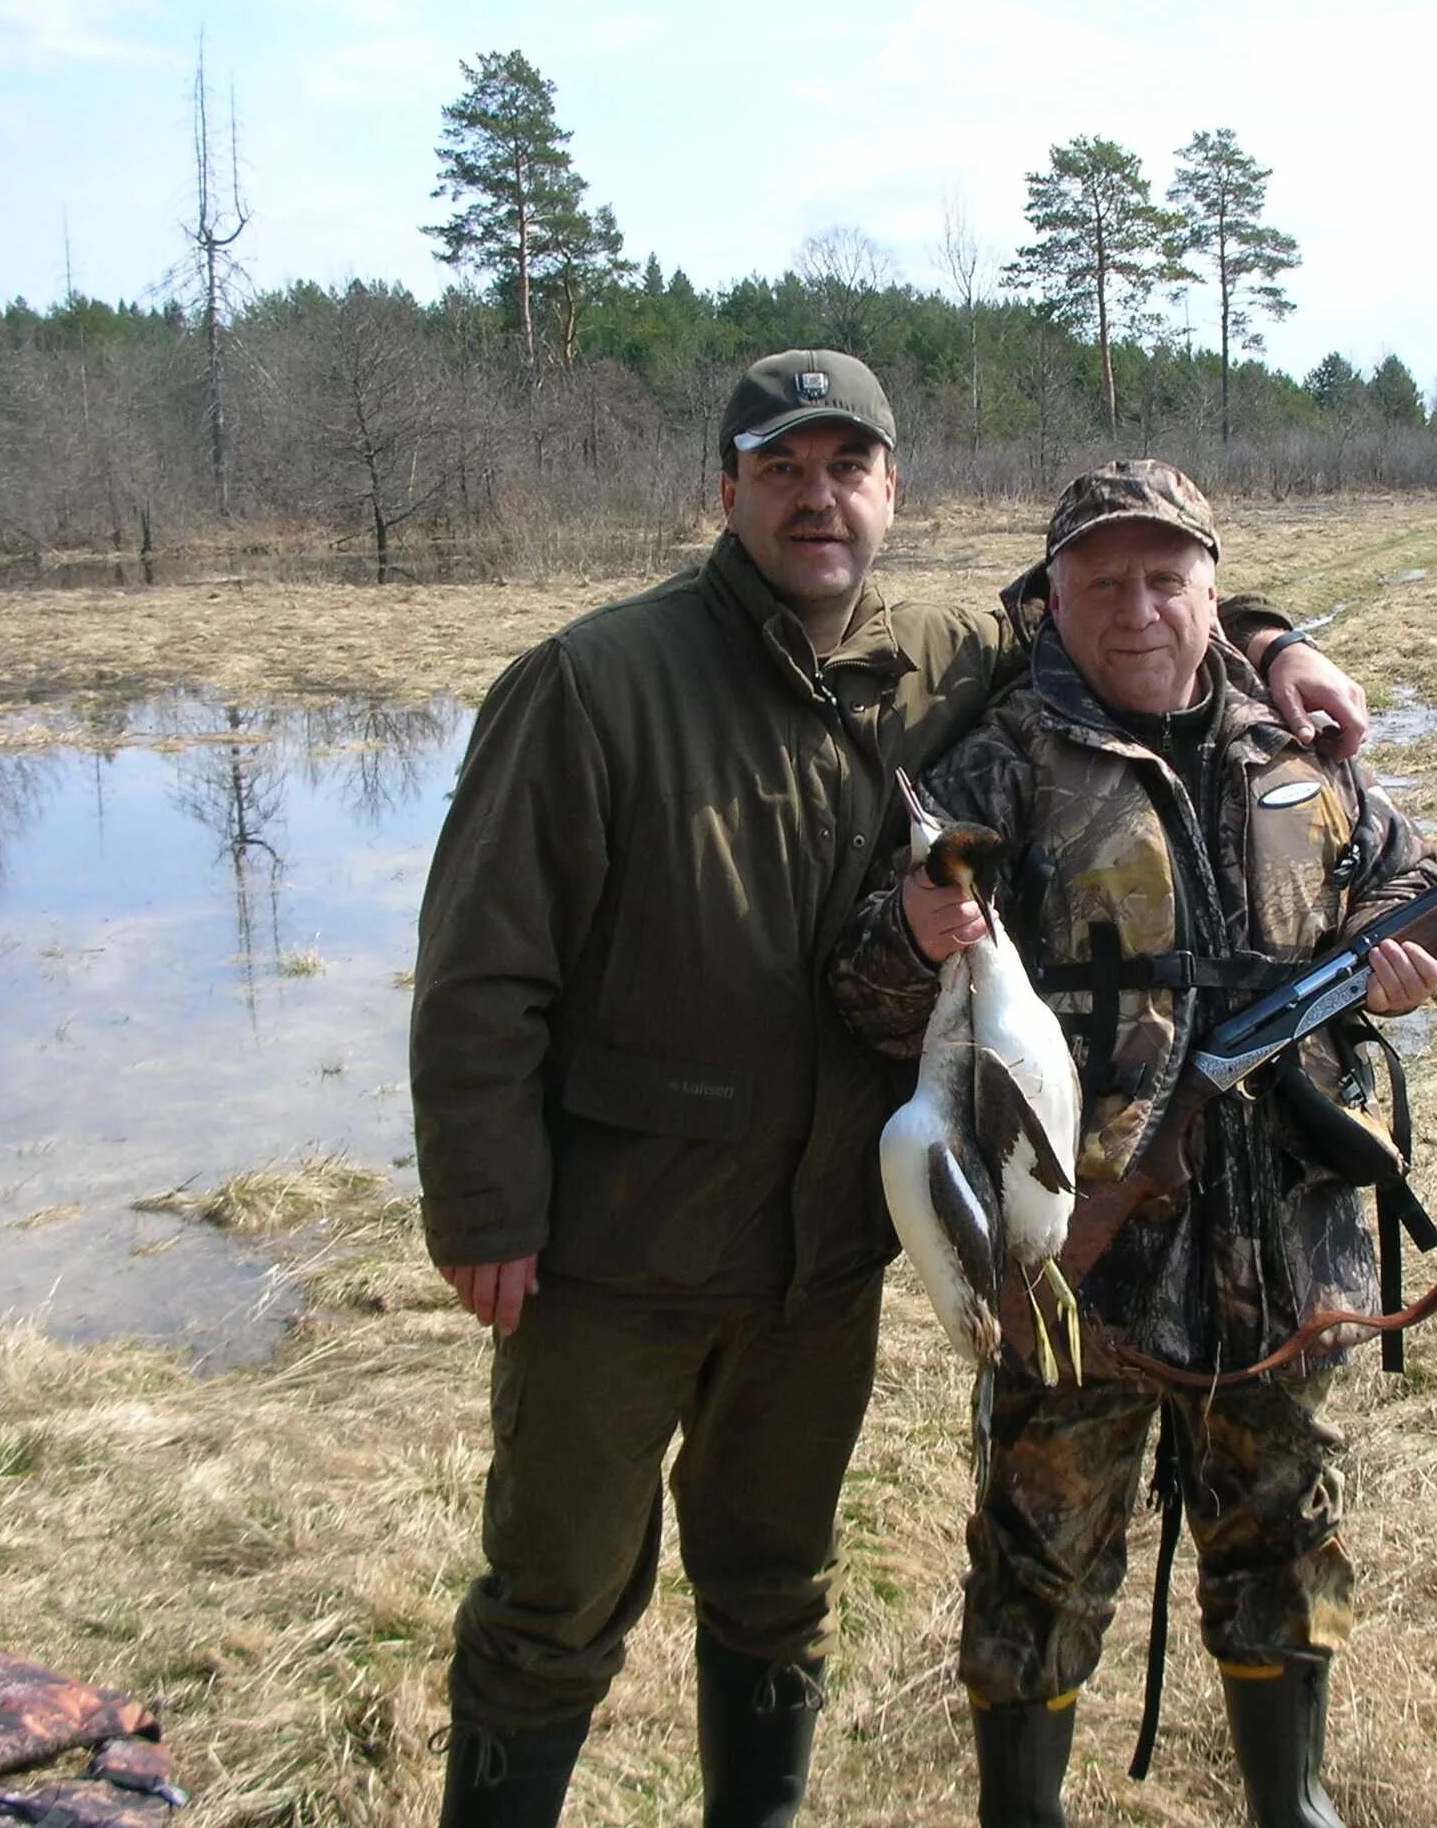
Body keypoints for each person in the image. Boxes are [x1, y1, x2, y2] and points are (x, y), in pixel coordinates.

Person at [409, 354, 1370, 1827]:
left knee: (777, 1586)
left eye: (846, 468)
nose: (816, 499)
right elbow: (483, 969)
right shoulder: (595, 681)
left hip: (823, 1251)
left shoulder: (934, 652)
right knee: (556, 1599)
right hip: (621, 1244)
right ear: (723, 490)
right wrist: (486, 1204)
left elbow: (1123, 600)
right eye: (780, 469)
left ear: (889, 490)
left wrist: (1268, 640)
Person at [829, 458, 1437, 1828]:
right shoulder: (994, 771)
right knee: (1038, 1556)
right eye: (1101, 580)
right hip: (1077, 1266)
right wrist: (906, 941)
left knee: (1283, 1531)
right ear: (1052, 598)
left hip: (1287, 1246)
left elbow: (1410, 873)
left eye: (1167, 577)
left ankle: (1293, 1801)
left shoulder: (1300, 756)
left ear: (1215, 594)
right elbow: (871, 1002)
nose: (1136, 606)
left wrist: (1390, 954)